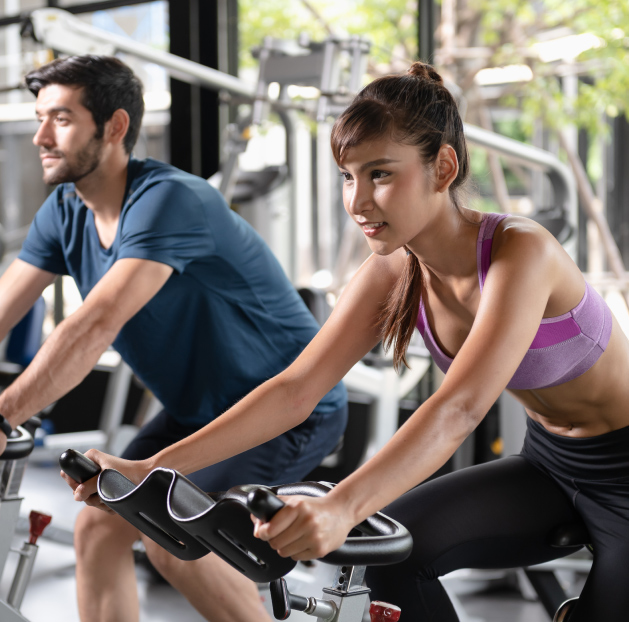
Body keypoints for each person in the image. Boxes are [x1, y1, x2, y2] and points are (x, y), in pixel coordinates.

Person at [67, 60, 629, 622]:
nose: (357, 201)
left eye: (380, 174)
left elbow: (460, 408)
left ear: (444, 167)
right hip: (551, 463)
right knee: (391, 557)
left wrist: (343, 506)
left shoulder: (520, 251)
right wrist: (156, 469)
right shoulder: (394, 268)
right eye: (347, 176)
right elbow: (295, 389)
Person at [0, 54, 347, 622]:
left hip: (285, 409)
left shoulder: (169, 199)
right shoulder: (65, 210)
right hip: (198, 413)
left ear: (114, 127)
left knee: (169, 531)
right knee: (99, 527)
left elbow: (94, 323)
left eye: (61, 119)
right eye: (41, 117)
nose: (41, 135)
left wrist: (4, 414)